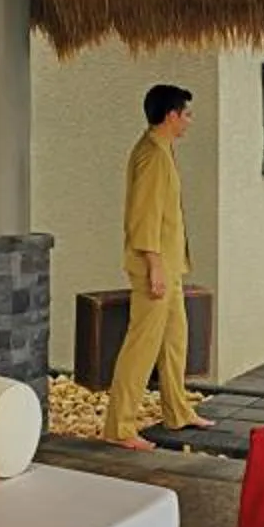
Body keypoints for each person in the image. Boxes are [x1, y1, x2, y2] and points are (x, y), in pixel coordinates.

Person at [107, 84, 214, 449]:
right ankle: (119, 427)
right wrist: (154, 265)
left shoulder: (163, 149)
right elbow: (144, 215)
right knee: (142, 346)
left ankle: (177, 411)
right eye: (186, 114)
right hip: (155, 266)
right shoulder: (152, 155)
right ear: (171, 115)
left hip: (170, 266)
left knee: (174, 342)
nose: (189, 120)